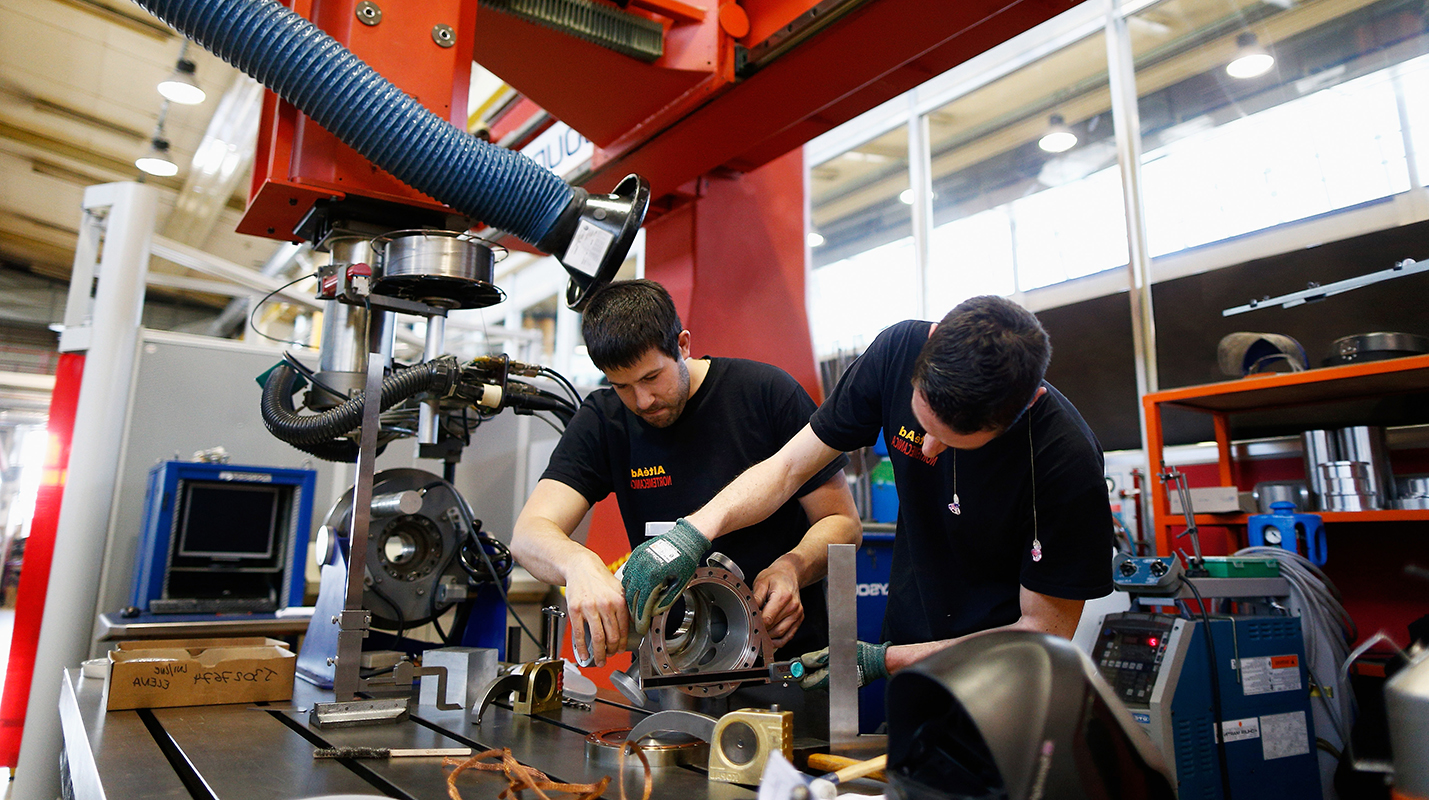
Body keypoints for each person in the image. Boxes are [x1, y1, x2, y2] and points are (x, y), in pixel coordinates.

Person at [622, 295, 1113, 688]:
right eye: (924, 421)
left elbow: (1039, 634)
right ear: (930, 343)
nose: (929, 447)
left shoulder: (1067, 466)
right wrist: (690, 534)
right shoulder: (898, 351)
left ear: (1029, 403)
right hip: (911, 635)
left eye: (956, 441)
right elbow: (788, 467)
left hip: (1002, 681)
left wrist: (882, 660)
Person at [510, 279, 861, 668]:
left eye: (651, 378)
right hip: (671, 672)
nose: (643, 400)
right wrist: (578, 565)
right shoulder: (603, 419)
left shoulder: (766, 394)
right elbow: (527, 535)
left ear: (683, 345)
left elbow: (843, 523)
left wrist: (794, 567)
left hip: (785, 661)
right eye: (621, 385)